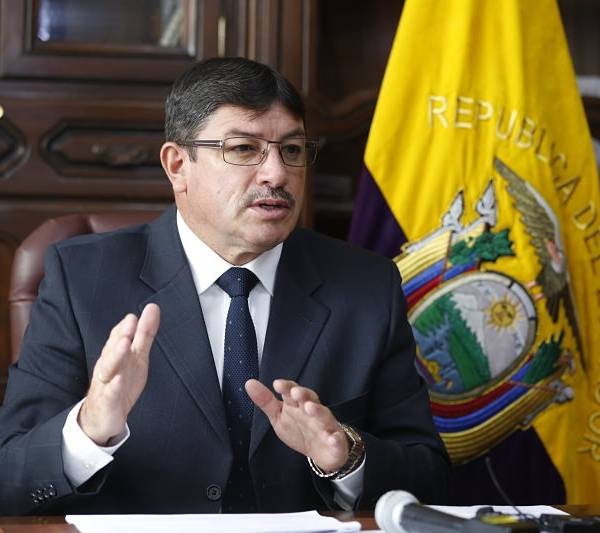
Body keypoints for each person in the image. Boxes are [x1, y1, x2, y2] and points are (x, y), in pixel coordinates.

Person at [0, 57, 449, 515]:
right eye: (244, 148)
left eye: (292, 150)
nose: (277, 173)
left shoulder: (366, 286)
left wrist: (345, 457)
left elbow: (429, 478)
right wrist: (89, 430)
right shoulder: (82, 279)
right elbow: (9, 478)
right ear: (178, 165)